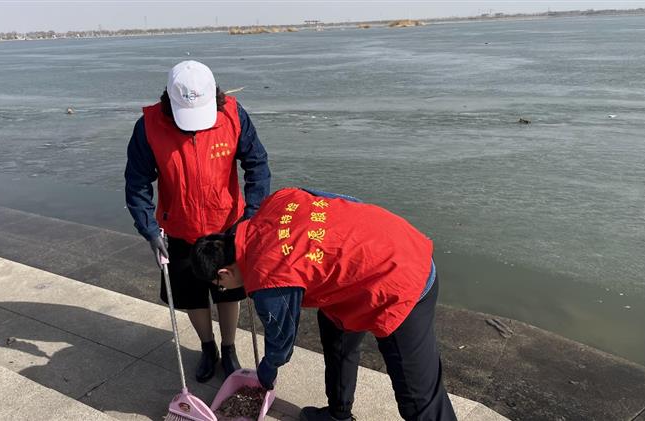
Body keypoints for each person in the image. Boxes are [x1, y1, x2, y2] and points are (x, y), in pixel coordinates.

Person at [190, 187, 457, 421]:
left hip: (400, 282)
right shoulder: (276, 201)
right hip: (385, 241)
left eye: (220, 285)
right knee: (335, 332)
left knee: (417, 398)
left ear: (224, 274)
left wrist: (265, 373)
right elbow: (345, 201)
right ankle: (338, 413)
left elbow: (281, 345)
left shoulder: (267, 278)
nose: (224, 288)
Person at [124, 60, 271, 382]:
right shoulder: (149, 127)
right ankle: (208, 347)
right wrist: (149, 230)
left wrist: (252, 216)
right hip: (179, 227)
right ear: (169, 99)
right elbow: (137, 183)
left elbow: (257, 164)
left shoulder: (233, 115)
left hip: (228, 223)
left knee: (229, 292)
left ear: (214, 96)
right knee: (190, 294)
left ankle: (229, 346)